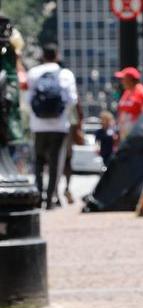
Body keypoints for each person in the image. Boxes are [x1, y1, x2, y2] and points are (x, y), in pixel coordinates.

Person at [26, 44, 78, 209]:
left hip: (38, 125)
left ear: (43, 55)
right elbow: (72, 100)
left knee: (39, 162)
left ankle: (38, 197)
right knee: (56, 163)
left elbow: (28, 99)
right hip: (59, 125)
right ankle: (50, 199)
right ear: (57, 55)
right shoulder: (66, 74)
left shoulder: (34, 73)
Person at [114, 67, 143, 142]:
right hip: (125, 136)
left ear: (130, 79)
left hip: (138, 136)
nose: (122, 81)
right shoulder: (127, 93)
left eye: (123, 79)